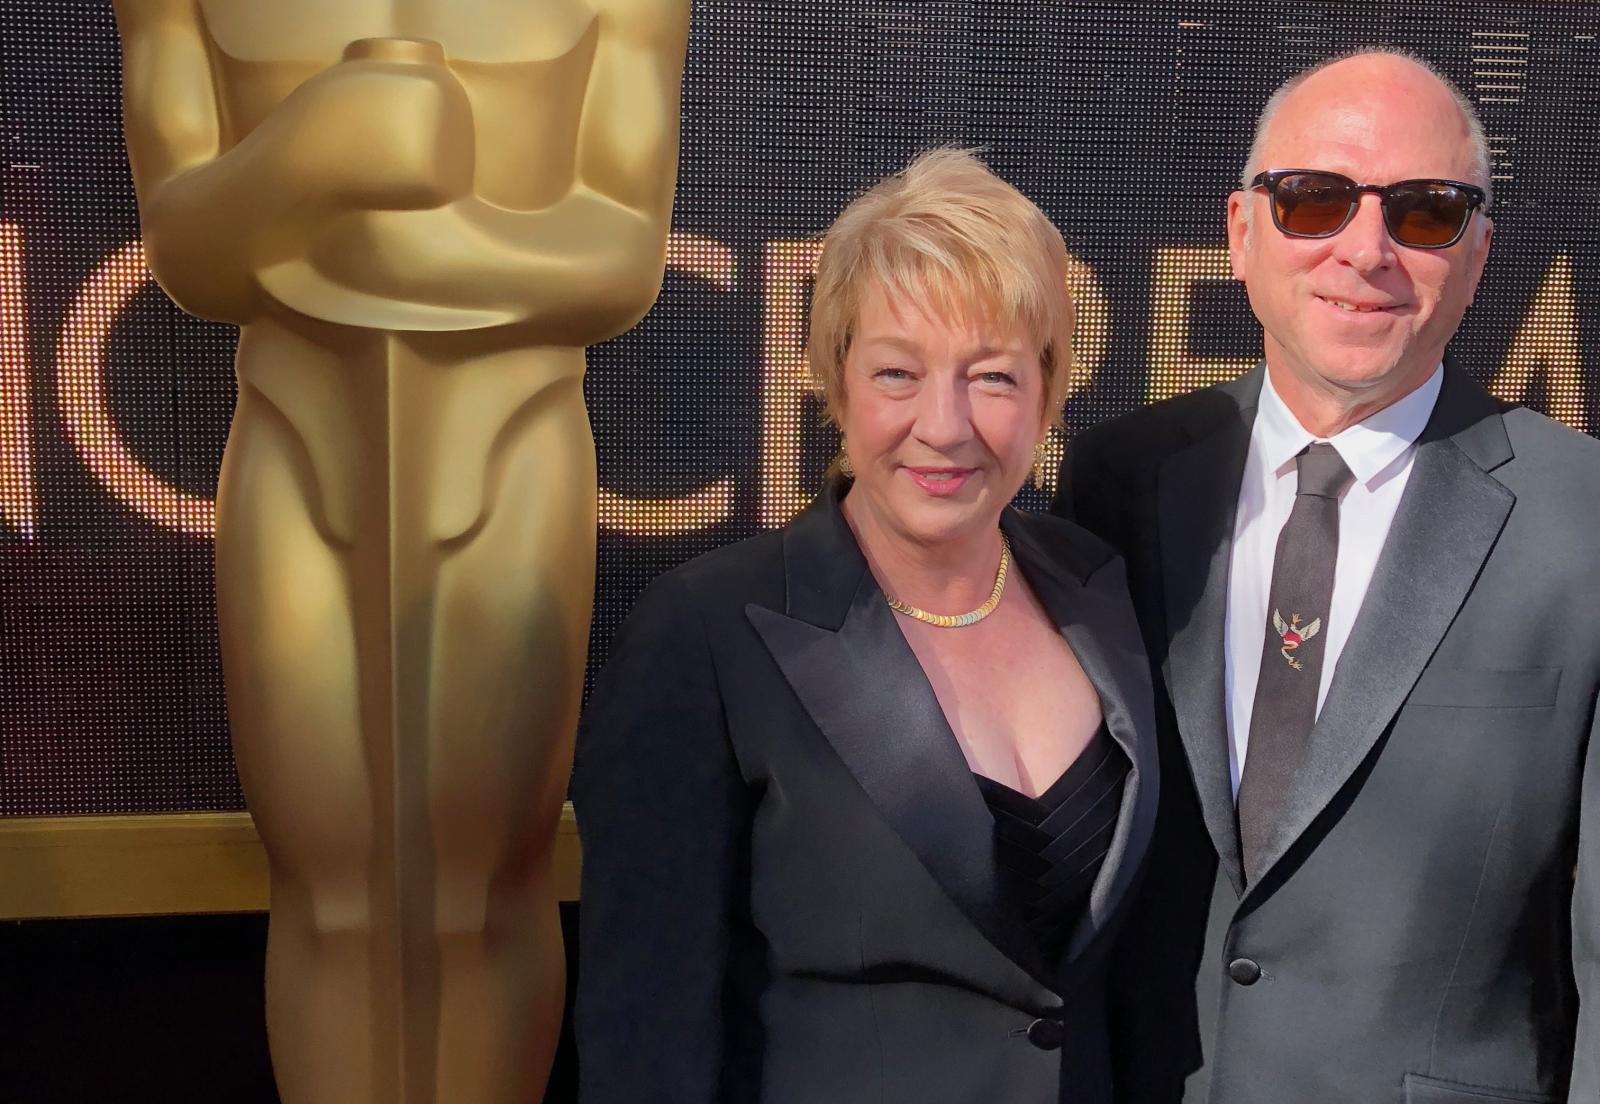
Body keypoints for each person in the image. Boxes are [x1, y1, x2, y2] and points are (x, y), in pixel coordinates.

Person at [1056, 50, 1599, 1103]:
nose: (1366, 250)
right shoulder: (1118, 480)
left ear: (1477, 255)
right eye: (1314, 201)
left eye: (1426, 213)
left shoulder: (1582, 519)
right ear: (1239, 232)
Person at [575, 149, 1158, 1102]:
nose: (945, 424)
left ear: (1049, 392)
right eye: (898, 372)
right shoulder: (709, 633)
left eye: (993, 378)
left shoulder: (1098, 589)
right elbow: (647, 1022)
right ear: (833, 381)